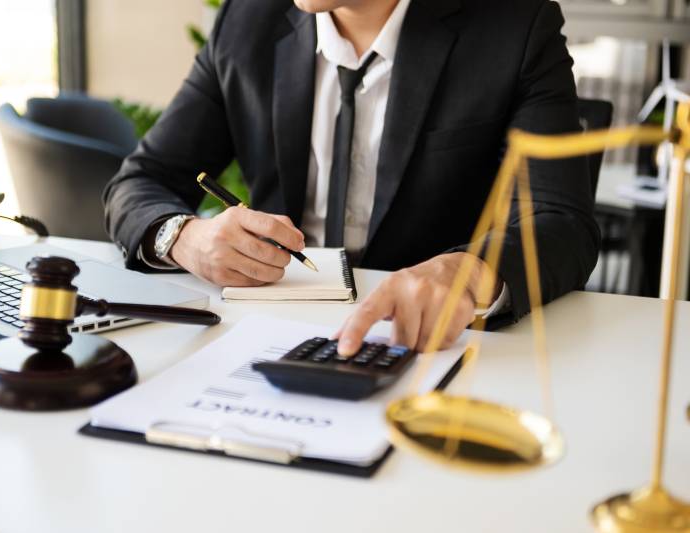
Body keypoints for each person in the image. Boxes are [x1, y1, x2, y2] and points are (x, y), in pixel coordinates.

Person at [103, 0, 600, 355]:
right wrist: (185, 237)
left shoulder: (515, 23)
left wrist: (465, 272)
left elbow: (560, 220)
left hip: (435, 345)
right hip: (271, 334)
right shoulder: (247, 18)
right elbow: (141, 180)